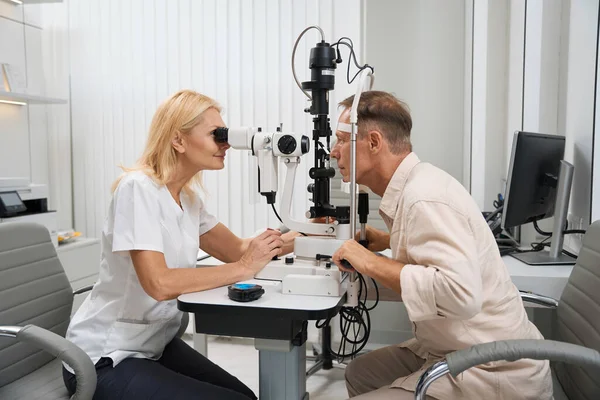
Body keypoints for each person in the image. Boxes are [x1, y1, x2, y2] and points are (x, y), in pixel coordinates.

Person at [63, 90, 291, 400]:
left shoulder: (187, 199)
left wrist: (306, 235)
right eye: (216, 134)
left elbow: (238, 249)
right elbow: (159, 282)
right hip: (104, 358)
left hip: (152, 344)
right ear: (178, 140)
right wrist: (243, 269)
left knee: (246, 397)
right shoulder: (138, 189)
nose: (225, 143)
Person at [330, 91, 553, 400]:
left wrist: (368, 261)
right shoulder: (414, 186)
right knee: (360, 372)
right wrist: (389, 242)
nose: (333, 152)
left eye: (342, 140)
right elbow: (426, 265)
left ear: (374, 142)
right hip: (453, 348)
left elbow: (460, 294)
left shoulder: (424, 198)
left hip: (490, 370)